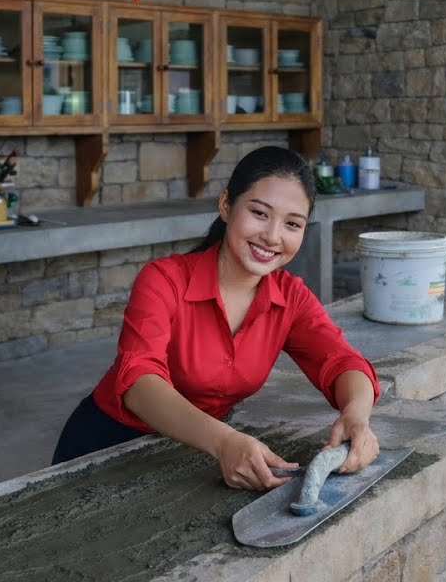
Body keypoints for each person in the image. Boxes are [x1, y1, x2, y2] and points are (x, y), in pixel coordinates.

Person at [51, 145, 381, 491]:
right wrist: (225, 442)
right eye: (259, 213)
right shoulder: (164, 280)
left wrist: (356, 415)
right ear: (226, 205)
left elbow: (342, 361)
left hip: (192, 454)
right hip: (104, 447)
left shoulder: (290, 297)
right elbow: (138, 382)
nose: (272, 236)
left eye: (292, 224)